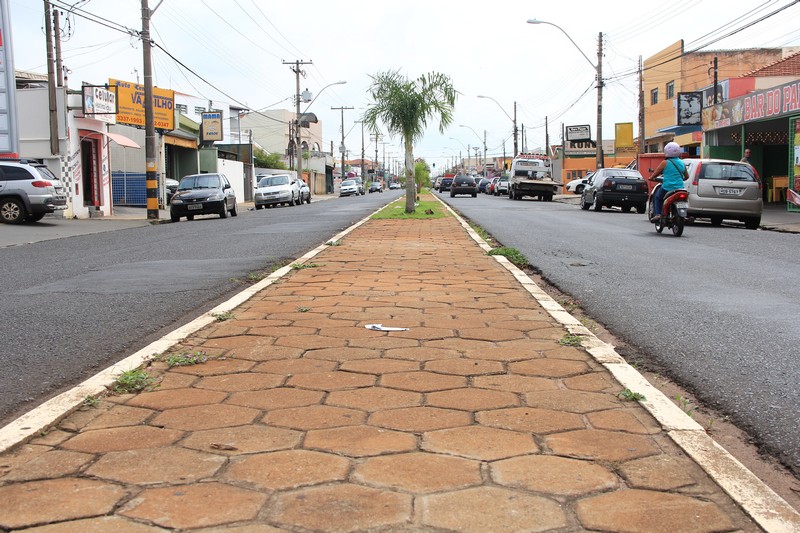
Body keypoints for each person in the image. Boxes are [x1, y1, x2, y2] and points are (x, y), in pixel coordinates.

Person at [649, 142, 689, 222]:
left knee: (658, 197)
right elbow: (687, 176)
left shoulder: (665, 162)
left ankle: (658, 214)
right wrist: (682, 180)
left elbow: (656, 173)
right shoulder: (682, 162)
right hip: (680, 188)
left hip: (667, 187)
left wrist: (651, 177)